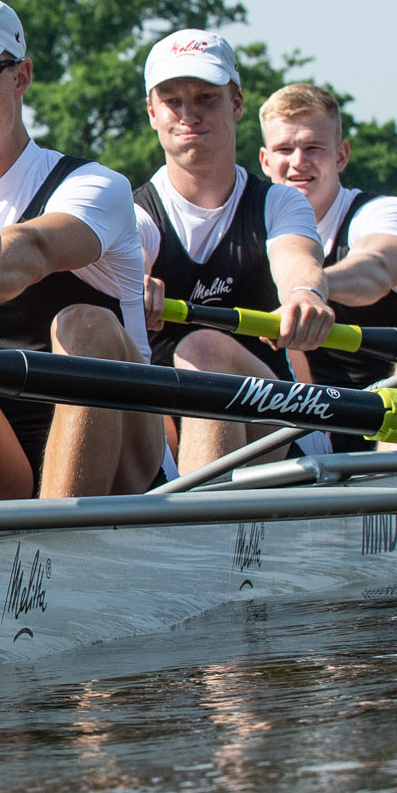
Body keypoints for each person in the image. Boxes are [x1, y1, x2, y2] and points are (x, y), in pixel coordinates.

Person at [0, 0, 161, 500]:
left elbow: (33, 248)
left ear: (20, 77)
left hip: (127, 461)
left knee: (84, 323)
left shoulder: (93, 186)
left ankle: (52, 543)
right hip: (4, 457)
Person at [131, 30, 334, 474]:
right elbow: (134, 254)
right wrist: (134, 282)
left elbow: (297, 260)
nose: (189, 115)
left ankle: (195, 529)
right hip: (171, 425)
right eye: (172, 101)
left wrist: (305, 295)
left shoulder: (279, 203)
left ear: (236, 104)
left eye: (206, 97)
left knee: (203, 347)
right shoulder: (137, 214)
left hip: (280, 425)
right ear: (152, 113)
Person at [256, 83, 397, 411]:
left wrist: (308, 290)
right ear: (265, 160)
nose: (299, 162)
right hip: (300, 416)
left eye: (313, 148)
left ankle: (392, 462)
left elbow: (377, 268)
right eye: (285, 150)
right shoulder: (250, 222)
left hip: (388, 407)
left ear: (342, 155)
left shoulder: (384, 211)